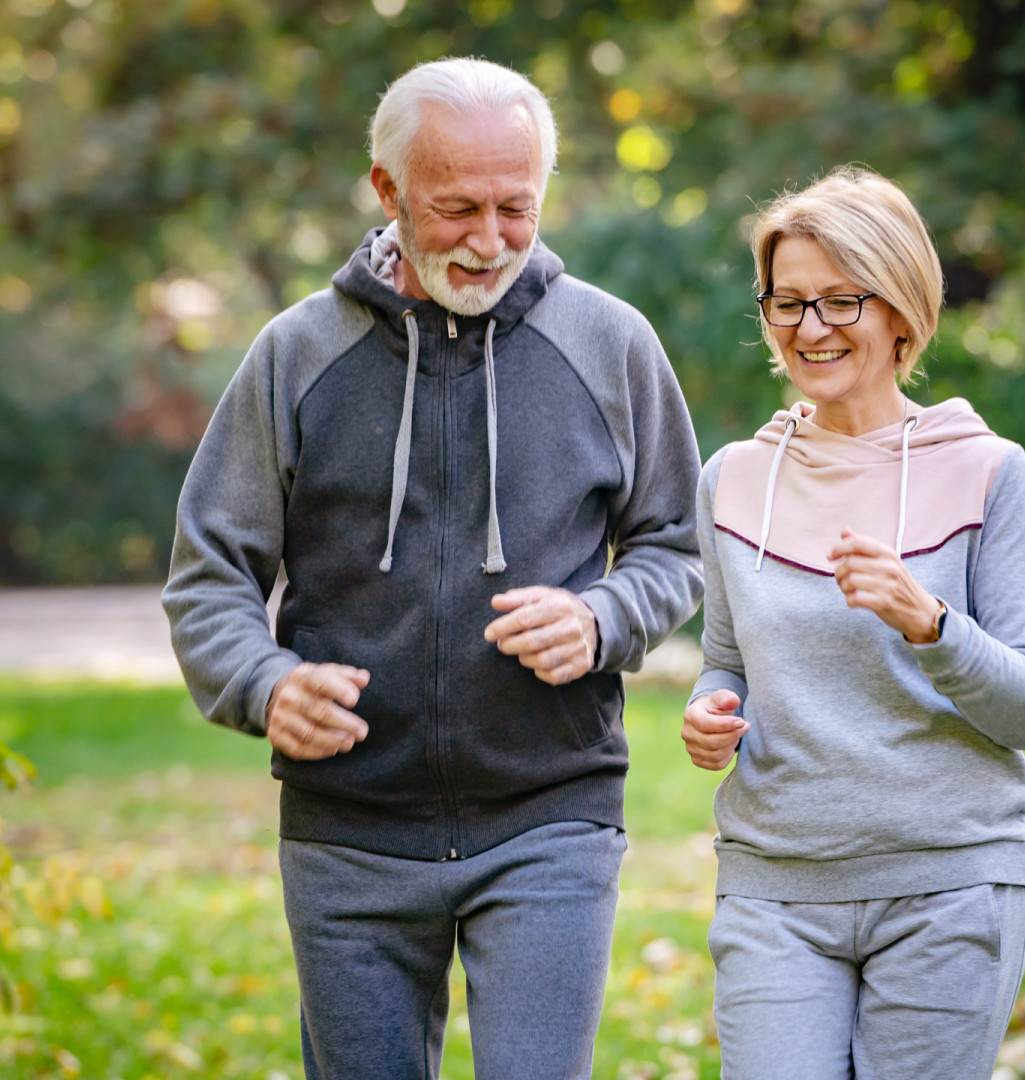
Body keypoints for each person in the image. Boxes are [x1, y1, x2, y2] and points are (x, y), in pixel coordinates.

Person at [163, 57, 703, 1080]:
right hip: (349, 831)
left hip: (551, 813)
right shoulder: (296, 354)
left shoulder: (611, 343)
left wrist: (602, 619)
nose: (491, 240)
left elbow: (679, 544)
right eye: (456, 209)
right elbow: (209, 573)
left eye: (517, 207)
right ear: (386, 191)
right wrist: (263, 683)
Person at [680, 166, 1025, 1079]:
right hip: (777, 886)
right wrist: (712, 710)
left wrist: (930, 623)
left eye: (840, 300)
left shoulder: (986, 471)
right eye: (788, 303)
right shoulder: (734, 477)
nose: (810, 329)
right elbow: (725, 658)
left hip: (950, 886)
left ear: (901, 310)